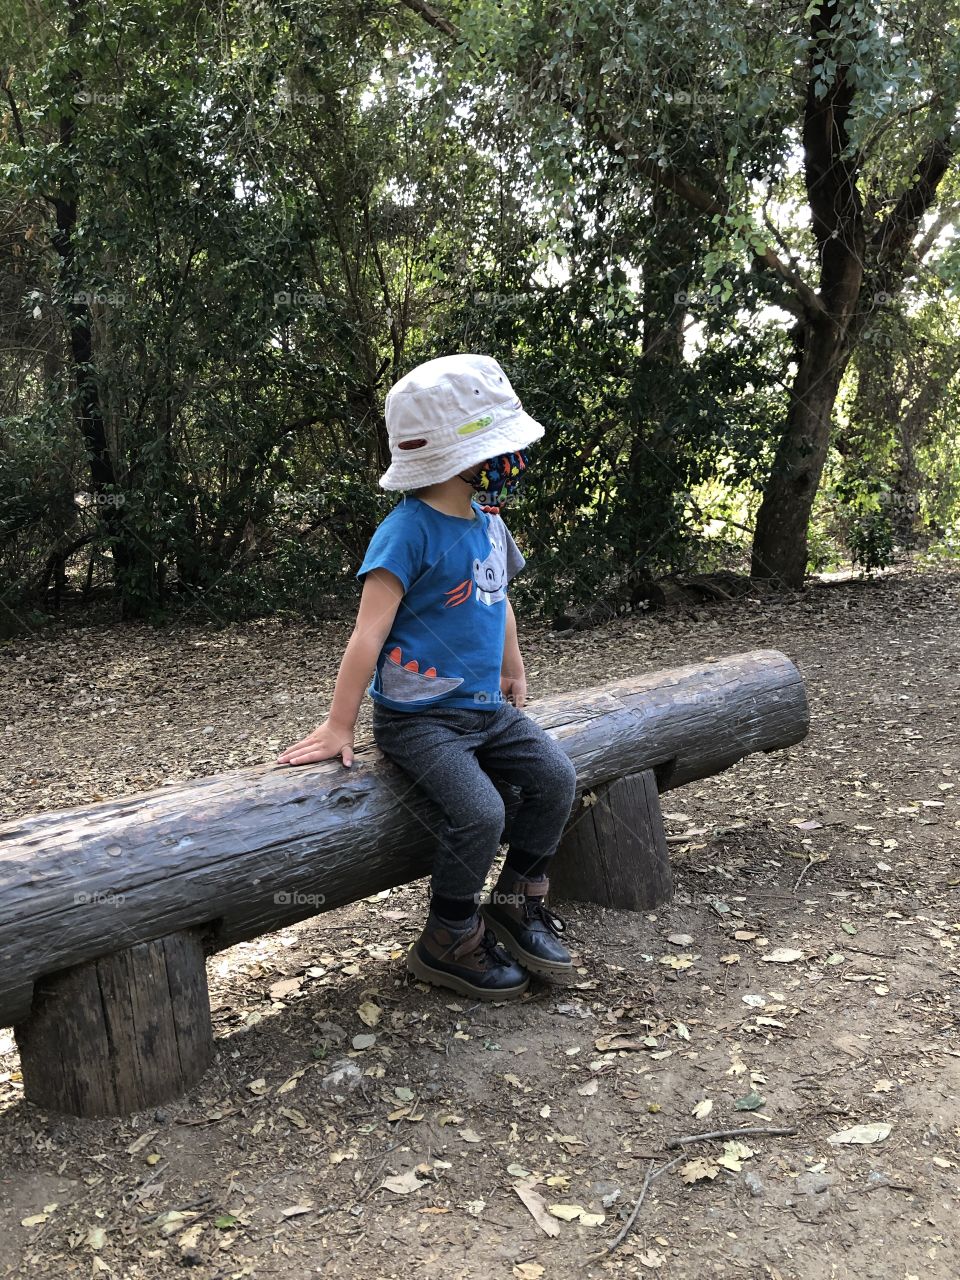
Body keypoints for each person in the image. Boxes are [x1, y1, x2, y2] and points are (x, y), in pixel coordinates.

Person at [278, 353, 579, 1001]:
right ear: (460, 456)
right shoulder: (405, 531)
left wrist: (513, 667)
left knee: (556, 778)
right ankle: (447, 935)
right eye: (500, 449)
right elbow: (368, 634)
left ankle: (519, 899)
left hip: (485, 709)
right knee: (480, 811)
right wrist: (339, 723)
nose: (511, 462)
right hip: (421, 721)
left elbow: (499, 600)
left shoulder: (490, 525)